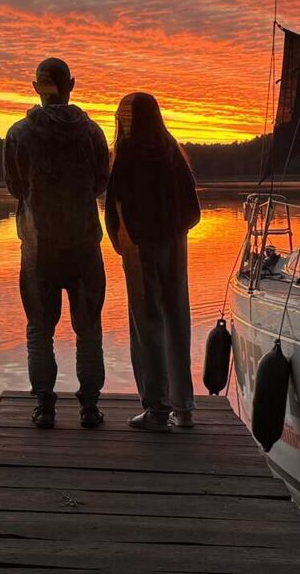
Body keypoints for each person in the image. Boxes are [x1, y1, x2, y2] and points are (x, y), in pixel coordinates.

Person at [3, 58, 110, 429]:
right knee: (89, 328)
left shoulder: (19, 134)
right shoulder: (93, 133)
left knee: (39, 328)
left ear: (36, 87)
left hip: (38, 248)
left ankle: (45, 407)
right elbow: (101, 183)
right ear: (72, 84)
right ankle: (90, 408)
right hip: (84, 246)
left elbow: (15, 187)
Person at [105, 92, 200, 432]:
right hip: (175, 244)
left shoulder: (127, 154)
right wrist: (175, 230)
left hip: (140, 248)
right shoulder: (170, 149)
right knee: (178, 319)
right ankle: (184, 408)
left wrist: (121, 241)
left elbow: (114, 207)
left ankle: (157, 410)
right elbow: (193, 208)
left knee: (147, 324)